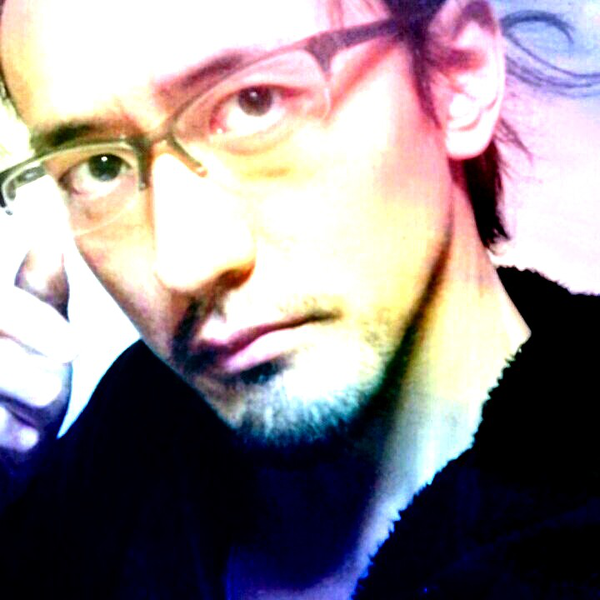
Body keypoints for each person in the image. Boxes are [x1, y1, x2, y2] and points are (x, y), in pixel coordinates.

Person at [0, 0, 598, 598]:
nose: (185, 264)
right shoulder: (127, 449)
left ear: (456, 71)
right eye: (100, 167)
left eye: (254, 103)